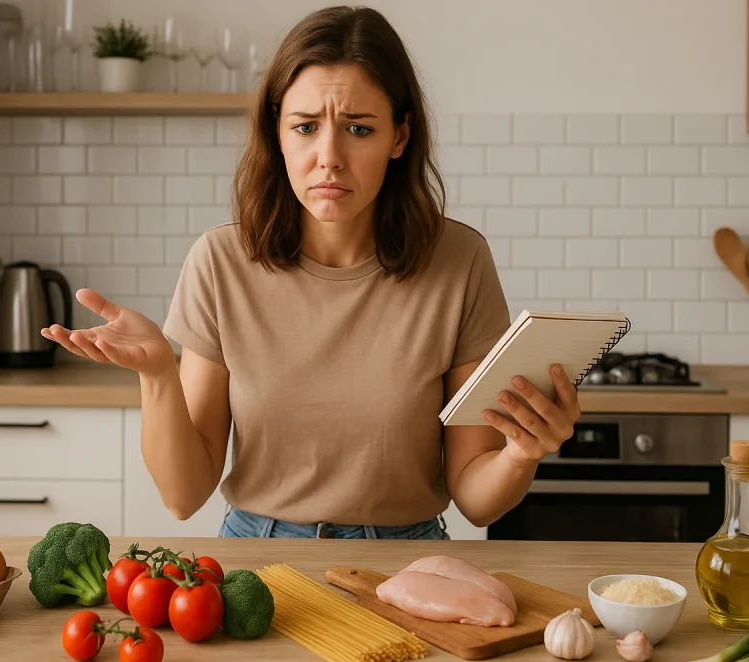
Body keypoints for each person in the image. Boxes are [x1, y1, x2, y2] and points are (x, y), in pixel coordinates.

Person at [42, 5, 581, 540]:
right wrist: (158, 374)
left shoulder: (459, 261)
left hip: (405, 563)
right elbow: (183, 497)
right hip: (256, 558)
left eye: (358, 129)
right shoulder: (220, 262)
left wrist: (519, 454)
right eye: (305, 127)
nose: (329, 156)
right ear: (278, 133)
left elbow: (475, 498)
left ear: (399, 137)